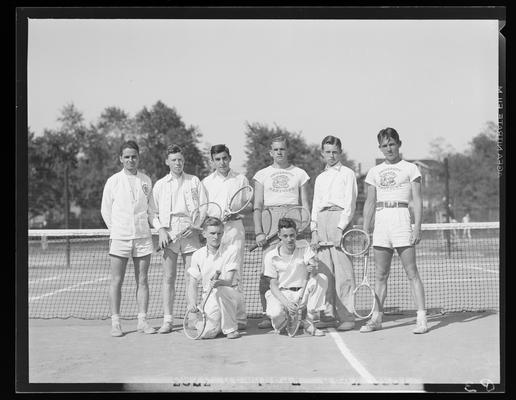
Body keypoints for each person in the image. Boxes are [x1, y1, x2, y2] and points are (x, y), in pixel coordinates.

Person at [362, 127, 428, 334]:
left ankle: (421, 319)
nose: (388, 148)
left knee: (412, 272)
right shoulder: (374, 172)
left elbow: (417, 200)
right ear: (380, 148)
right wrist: (365, 230)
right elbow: (370, 203)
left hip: (402, 220)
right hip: (382, 224)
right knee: (380, 275)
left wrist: (416, 226)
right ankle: (376, 318)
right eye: (384, 145)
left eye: (392, 144)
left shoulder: (411, 168)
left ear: (399, 144)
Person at [252, 135, 310, 329]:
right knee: (268, 273)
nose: (279, 152)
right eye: (275, 149)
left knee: (297, 269)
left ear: (287, 151)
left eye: (282, 149)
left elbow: (305, 204)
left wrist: (303, 224)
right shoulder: (261, 174)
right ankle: (267, 314)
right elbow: (258, 205)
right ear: (270, 152)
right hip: (270, 220)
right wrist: (260, 232)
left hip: (293, 218)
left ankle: (300, 313)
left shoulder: (300, 173)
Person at [100, 140, 157, 337]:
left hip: (142, 237)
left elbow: (151, 211)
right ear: (121, 159)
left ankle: (142, 320)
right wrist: (116, 231)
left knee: (142, 280)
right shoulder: (113, 181)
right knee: (117, 280)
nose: (130, 160)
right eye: (127, 157)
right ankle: (116, 323)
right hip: (120, 238)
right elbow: (105, 210)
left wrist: (159, 228)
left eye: (134, 156)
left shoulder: (146, 180)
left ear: (138, 158)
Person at [151, 144, 208, 334]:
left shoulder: (194, 181)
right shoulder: (159, 184)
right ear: (167, 161)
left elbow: (204, 206)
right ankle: (168, 320)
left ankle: (192, 317)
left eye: (180, 160)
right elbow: (152, 212)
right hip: (169, 232)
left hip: (191, 231)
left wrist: (196, 225)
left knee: (192, 277)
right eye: (174, 160)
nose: (178, 163)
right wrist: (160, 231)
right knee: (168, 277)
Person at [310, 135, 358, 331]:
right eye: (328, 152)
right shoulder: (320, 178)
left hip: (339, 221)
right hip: (321, 222)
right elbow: (315, 205)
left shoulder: (348, 174)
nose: (331, 155)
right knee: (324, 273)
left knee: (343, 273)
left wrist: (341, 227)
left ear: (340, 153)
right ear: (322, 153)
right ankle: (328, 315)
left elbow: (350, 203)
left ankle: (347, 316)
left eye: (335, 152)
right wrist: (314, 230)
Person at [201, 144, 250, 329]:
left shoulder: (240, 179)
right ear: (212, 161)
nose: (222, 162)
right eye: (217, 159)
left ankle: (239, 317)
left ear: (229, 158)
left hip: (235, 230)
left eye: (224, 158)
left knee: (235, 274)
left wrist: (236, 213)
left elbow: (248, 205)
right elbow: (204, 210)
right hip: (214, 232)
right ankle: (215, 314)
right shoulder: (206, 182)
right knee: (213, 273)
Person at [264, 218, 328, 336]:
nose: (289, 239)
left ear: (296, 233)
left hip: (302, 294)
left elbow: (313, 271)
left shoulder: (304, 245)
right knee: (276, 314)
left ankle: (309, 321)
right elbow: (273, 285)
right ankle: (284, 321)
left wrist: (313, 269)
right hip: (282, 295)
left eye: (292, 235)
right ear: (279, 235)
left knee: (322, 278)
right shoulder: (270, 256)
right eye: (285, 236)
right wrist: (287, 303)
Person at [186, 217, 246, 339]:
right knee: (206, 334)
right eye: (212, 233)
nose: (216, 237)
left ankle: (231, 329)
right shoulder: (197, 255)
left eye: (219, 233)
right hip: (209, 298)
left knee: (222, 289)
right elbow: (192, 283)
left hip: (231, 294)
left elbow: (229, 281)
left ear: (223, 233)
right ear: (204, 234)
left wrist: (219, 282)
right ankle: (205, 323)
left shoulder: (232, 250)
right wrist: (192, 302)